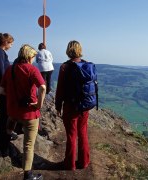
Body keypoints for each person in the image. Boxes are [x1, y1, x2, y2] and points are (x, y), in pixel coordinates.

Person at [0, 44, 46, 180]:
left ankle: (4, 144)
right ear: (29, 56)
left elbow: (1, 90)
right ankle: (28, 175)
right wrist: (38, 104)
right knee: (28, 145)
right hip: (29, 113)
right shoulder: (32, 69)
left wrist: (13, 96)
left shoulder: (10, 69)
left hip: (13, 110)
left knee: (10, 122)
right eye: (33, 57)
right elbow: (42, 87)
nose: (33, 59)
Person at [55, 40, 90, 170]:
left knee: (71, 135)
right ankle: (84, 162)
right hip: (85, 106)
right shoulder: (87, 65)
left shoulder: (65, 67)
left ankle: (70, 164)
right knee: (83, 133)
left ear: (68, 50)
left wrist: (58, 106)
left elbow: (60, 89)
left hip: (70, 106)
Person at [0, 33, 17, 154]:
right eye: (11, 43)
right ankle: (4, 134)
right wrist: (5, 84)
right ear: (5, 42)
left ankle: (4, 132)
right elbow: (1, 71)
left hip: (0, 83)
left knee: (4, 109)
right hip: (2, 84)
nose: (11, 46)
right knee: (5, 110)